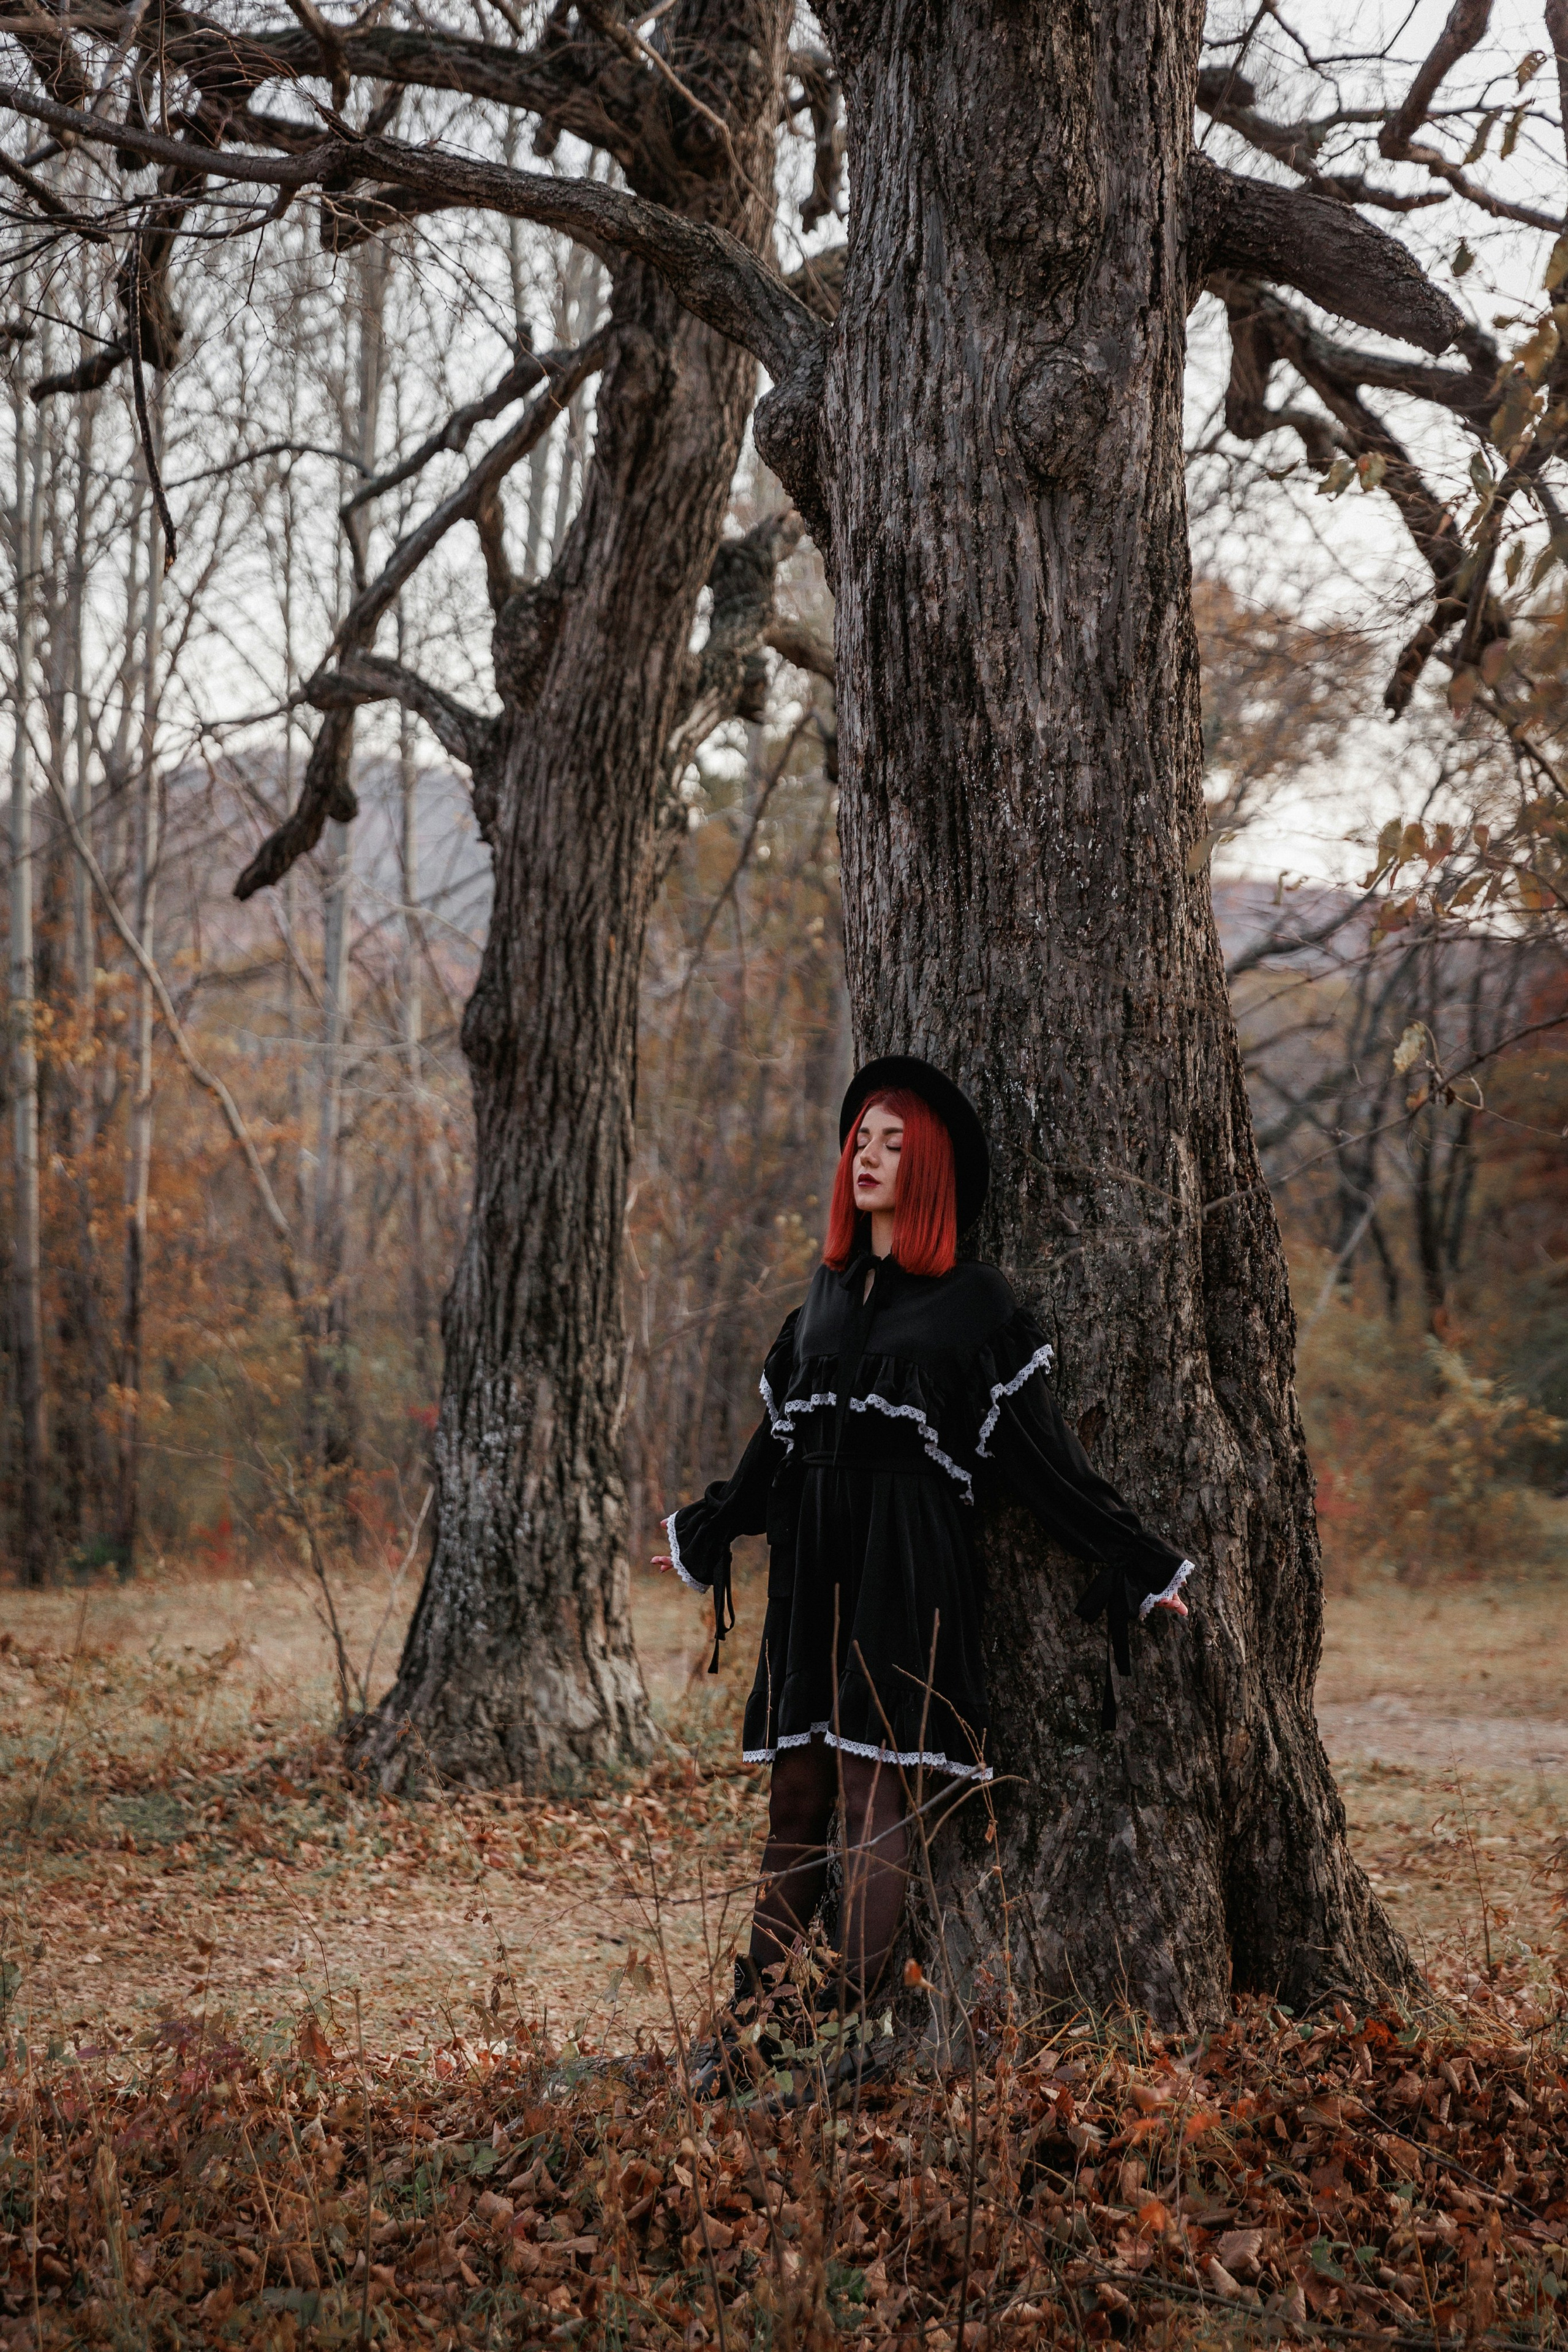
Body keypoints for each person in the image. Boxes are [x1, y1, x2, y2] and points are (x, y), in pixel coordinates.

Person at [652, 1056, 1193, 2092]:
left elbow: (1044, 1467)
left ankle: (840, 2037)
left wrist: (1133, 1556)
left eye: (895, 1143)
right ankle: (748, 2029)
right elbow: (779, 1451)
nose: (870, 1154)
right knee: (797, 1799)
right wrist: (710, 1525)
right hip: (817, 1576)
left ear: (932, 1168)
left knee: (871, 1794)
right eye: (862, 1137)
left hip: (908, 1574)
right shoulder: (822, 1298)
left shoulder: (972, 1309)